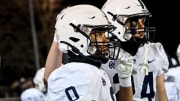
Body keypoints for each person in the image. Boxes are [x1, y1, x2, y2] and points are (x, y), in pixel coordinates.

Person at [47, 4, 132, 101]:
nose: (106, 40)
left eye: (104, 34)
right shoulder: (77, 73)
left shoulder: (90, 70)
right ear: (77, 38)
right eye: (99, 34)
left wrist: (125, 80)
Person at [102, 0, 169, 100]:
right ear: (115, 24)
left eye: (143, 20)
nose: (142, 26)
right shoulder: (103, 58)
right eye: (134, 22)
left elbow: (161, 96)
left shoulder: (154, 50)